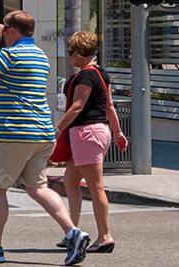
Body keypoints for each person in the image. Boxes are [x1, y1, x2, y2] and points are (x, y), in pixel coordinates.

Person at [0, 11, 91, 266]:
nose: (1, 32)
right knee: (38, 187)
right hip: (42, 133)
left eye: (4, 28)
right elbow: (22, 90)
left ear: (11, 31)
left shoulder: (9, 54)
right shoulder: (40, 56)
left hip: (13, 135)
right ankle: (73, 232)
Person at [56, 31, 127, 254]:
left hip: (86, 133)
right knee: (70, 180)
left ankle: (105, 236)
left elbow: (77, 106)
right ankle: (73, 231)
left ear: (80, 53)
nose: (69, 56)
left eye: (71, 52)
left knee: (96, 187)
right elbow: (110, 106)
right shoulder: (100, 73)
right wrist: (118, 132)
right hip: (97, 132)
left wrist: (56, 129)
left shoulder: (86, 75)